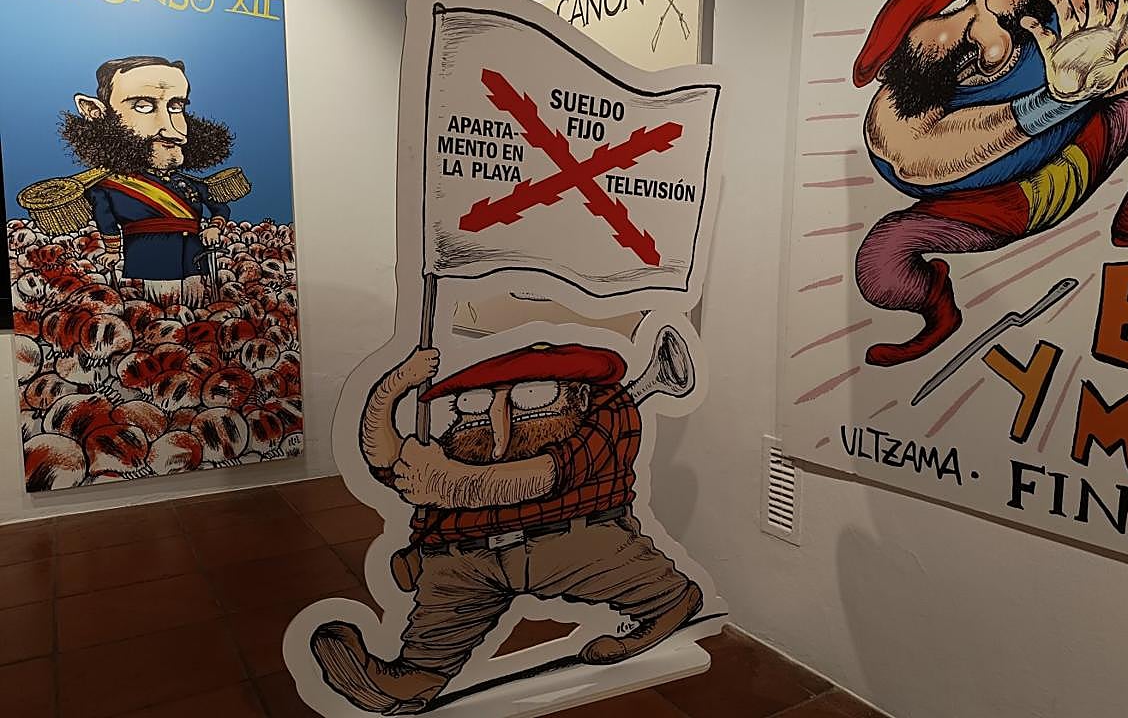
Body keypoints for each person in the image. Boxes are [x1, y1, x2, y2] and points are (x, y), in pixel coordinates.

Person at [852, 0, 1128, 366]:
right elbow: (933, 156)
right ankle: (939, 313)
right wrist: (1055, 100)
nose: (996, 43)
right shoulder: (894, 120)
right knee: (880, 266)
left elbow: (1115, 73)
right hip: (995, 212)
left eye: (1000, 13)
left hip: (1086, 147)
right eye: (964, 39)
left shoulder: (1057, 14)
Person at [311, 342, 703, 715]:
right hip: (468, 561)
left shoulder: (608, 412)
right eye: (477, 401)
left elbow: (551, 474)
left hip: (571, 541)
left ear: (579, 395)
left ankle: (668, 603)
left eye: (531, 395)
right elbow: (390, 463)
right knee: (434, 643)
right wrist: (390, 390)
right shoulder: (466, 441)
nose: (499, 418)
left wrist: (449, 483)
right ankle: (412, 682)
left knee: (637, 577)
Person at [60, 55, 235, 306]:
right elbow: (106, 221)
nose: (173, 130)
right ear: (96, 113)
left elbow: (218, 207)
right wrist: (112, 251)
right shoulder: (108, 187)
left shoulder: (190, 184)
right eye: (143, 106)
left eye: (176, 107)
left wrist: (214, 227)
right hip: (148, 268)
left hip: (195, 264)